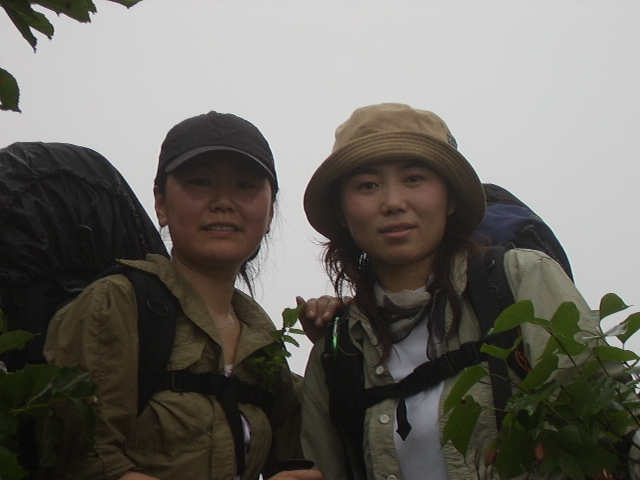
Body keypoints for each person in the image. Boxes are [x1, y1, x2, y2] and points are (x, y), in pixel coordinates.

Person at [299, 103, 602, 480]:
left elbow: (604, 419)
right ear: (342, 212)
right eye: (367, 185)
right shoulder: (338, 349)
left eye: (414, 178)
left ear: (451, 198)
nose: (393, 202)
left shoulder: (521, 279)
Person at [42, 111, 322, 480]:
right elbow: (87, 462)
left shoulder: (264, 342)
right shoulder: (117, 304)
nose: (223, 201)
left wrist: (333, 346)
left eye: (245, 185)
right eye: (200, 182)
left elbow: (307, 454)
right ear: (160, 202)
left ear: (270, 212)